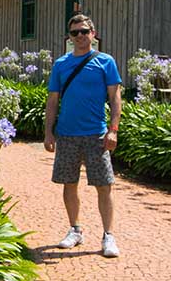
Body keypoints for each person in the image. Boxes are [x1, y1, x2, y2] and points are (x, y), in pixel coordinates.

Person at [43, 14, 123, 257]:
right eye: (75, 32)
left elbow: (115, 98)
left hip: (96, 135)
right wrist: (48, 132)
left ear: (93, 33)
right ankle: (75, 230)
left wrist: (113, 130)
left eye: (84, 31)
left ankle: (108, 236)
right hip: (66, 134)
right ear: (69, 37)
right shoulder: (61, 64)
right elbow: (52, 101)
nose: (80, 36)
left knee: (104, 185)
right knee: (69, 184)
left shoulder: (106, 62)